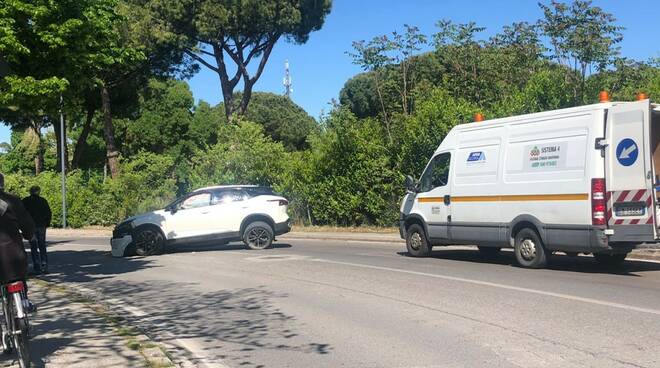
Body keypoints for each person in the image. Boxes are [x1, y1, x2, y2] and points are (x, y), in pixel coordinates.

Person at [0, 173, 35, 312]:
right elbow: (27, 224)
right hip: (13, 254)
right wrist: (29, 235)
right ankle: (24, 301)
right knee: (17, 275)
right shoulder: (12, 201)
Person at [22, 185, 51, 274]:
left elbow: (22, 213)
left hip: (31, 226)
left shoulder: (26, 201)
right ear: (39, 191)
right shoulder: (43, 201)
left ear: (30, 191)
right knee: (42, 245)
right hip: (41, 226)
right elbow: (48, 213)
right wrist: (47, 223)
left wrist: (23, 225)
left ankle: (37, 267)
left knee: (33, 246)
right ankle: (44, 265)